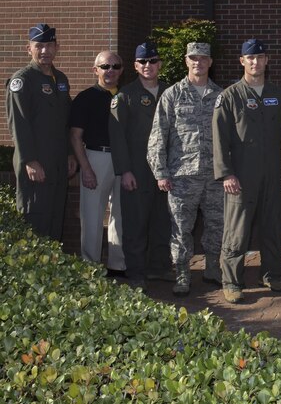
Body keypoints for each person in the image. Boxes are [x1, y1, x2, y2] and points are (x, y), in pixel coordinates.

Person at [213, 38, 281, 304]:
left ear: (266, 60)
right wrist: (226, 173)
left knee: (272, 226)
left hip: (271, 174)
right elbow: (219, 139)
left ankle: (273, 274)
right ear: (242, 61)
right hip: (241, 177)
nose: (255, 62)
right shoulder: (229, 96)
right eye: (250, 58)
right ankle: (231, 281)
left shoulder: (279, 95)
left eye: (260, 57)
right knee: (237, 230)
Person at [147, 42, 224, 296]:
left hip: (214, 175)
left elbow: (229, 136)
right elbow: (159, 134)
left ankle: (213, 269)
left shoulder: (221, 95)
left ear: (210, 62)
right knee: (181, 229)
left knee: (217, 224)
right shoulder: (172, 95)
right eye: (193, 58)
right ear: (186, 61)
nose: (198, 63)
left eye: (203, 58)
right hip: (182, 176)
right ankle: (182, 274)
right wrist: (161, 172)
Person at [109, 41, 173, 288]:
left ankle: (159, 267)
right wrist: (124, 171)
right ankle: (136, 273)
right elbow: (117, 137)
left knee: (162, 220)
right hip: (136, 170)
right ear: (135, 66)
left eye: (153, 61)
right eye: (143, 62)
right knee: (136, 222)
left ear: (160, 64)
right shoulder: (124, 96)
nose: (148, 66)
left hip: (166, 170)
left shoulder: (171, 92)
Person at [5, 23, 76, 239]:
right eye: (39, 46)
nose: (45, 51)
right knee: (35, 218)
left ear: (57, 47)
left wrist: (70, 153)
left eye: (49, 45)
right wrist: (29, 160)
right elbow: (18, 124)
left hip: (58, 162)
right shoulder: (22, 80)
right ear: (29, 49)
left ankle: (54, 271)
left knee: (55, 218)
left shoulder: (61, 79)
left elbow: (65, 121)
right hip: (36, 164)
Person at [69, 50, 125, 274]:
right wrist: (87, 168)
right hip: (95, 157)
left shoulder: (126, 96)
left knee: (121, 215)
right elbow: (75, 136)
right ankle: (90, 266)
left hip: (123, 159)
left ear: (121, 70)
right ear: (95, 70)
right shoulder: (85, 98)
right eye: (104, 66)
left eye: (115, 66)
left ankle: (118, 265)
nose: (110, 71)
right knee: (92, 215)